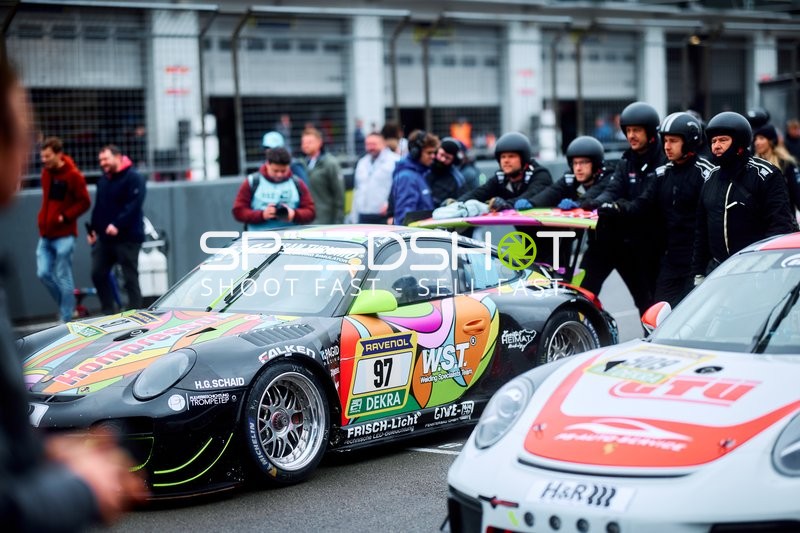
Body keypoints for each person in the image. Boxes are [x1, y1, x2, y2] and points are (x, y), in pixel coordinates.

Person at [0, 56, 147, 532]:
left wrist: (34, 451)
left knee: (120, 281)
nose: (30, 149)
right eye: (24, 127)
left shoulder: (125, 178)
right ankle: (90, 309)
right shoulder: (89, 177)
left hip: (117, 238)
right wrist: (80, 487)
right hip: (89, 236)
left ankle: (104, 307)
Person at [600, 112, 715, 307]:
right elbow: (642, 204)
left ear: (689, 141)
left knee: (691, 314)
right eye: (665, 141)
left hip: (700, 261)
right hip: (671, 260)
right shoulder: (662, 174)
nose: (667, 146)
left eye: (673, 141)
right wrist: (616, 207)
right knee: (658, 313)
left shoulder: (706, 173)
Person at [692, 111, 797, 282]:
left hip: (757, 272)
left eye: (723, 140)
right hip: (718, 271)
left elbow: (780, 225)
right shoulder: (710, 178)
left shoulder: (765, 174)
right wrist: (698, 273)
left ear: (740, 142)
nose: (716, 146)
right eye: (713, 141)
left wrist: (764, 266)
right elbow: (701, 231)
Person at [591, 101, 667, 315]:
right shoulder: (627, 160)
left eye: (637, 130)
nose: (631, 135)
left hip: (657, 245)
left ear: (651, 132)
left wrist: (617, 207)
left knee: (654, 301)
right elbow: (612, 189)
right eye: (628, 130)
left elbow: (645, 202)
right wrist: (592, 204)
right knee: (643, 301)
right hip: (629, 243)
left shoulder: (663, 159)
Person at [525, 135, 611, 273]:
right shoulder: (570, 178)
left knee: (644, 292)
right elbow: (552, 191)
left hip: (623, 246)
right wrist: (531, 202)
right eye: (575, 163)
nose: (578, 168)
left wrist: (578, 204)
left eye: (584, 163)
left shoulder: (609, 177)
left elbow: (595, 195)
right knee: (583, 287)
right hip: (597, 248)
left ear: (596, 164)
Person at [36, 136, 91, 323]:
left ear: (59, 154)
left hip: (64, 236)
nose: (43, 160)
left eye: (47, 156)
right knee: (43, 273)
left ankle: (65, 320)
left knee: (63, 275)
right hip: (45, 234)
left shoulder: (73, 175)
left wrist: (65, 216)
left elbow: (85, 202)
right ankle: (68, 307)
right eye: (42, 156)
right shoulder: (46, 173)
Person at [88, 145, 146, 315]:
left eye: (106, 159)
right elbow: (99, 208)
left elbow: (134, 205)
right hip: (106, 239)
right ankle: (108, 312)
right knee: (97, 273)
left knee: (129, 278)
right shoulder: (104, 181)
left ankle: (135, 311)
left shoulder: (134, 177)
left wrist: (117, 225)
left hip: (128, 238)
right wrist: (92, 230)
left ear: (118, 157)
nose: (102, 163)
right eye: (100, 160)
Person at [457, 131, 552, 211]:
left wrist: (504, 204)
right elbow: (479, 193)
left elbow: (528, 198)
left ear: (523, 159)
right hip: (524, 233)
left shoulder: (540, 175)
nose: (506, 161)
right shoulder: (501, 177)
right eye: (503, 157)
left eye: (511, 156)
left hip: (551, 232)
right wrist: (456, 203)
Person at [234, 147, 316, 230]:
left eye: (283, 171)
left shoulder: (297, 183)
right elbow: (238, 211)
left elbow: (311, 212)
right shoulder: (252, 182)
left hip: (291, 239)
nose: (279, 174)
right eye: (275, 171)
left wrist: (294, 214)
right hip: (258, 239)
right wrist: (262, 215)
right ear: (267, 164)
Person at [388, 129, 439, 225]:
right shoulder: (407, 178)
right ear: (415, 153)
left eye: (434, 153)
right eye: (429, 153)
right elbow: (404, 218)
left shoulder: (419, 174)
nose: (433, 156)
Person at [349, 131, 399, 224]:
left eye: (374, 144)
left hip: (383, 215)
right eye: (368, 144)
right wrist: (353, 216)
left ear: (383, 144)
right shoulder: (362, 162)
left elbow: (399, 187)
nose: (370, 147)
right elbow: (357, 189)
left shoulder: (395, 161)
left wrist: (391, 205)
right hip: (363, 215)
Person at [300, 127, 344, 225]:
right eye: (303, 142)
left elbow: (339, 196)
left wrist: (338, 222)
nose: (305, 145)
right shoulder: (301, 164)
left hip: (325, 221)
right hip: (305, 222)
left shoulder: (330, 163)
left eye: (309, 142)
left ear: (319, 142)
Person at [753, 124, 800, 212]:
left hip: (783, 216)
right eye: (755, 139)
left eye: (761, 138)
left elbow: (796, 192)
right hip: (760, 218)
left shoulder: (786, 163)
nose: (757, 142)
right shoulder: (753, 164)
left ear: (771, 141)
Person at [426, 137, 467, 206]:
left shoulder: (457, 179)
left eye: (447, 158)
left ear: (454, 160)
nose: (443, 159)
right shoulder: (425, 168)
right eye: (441, 155)